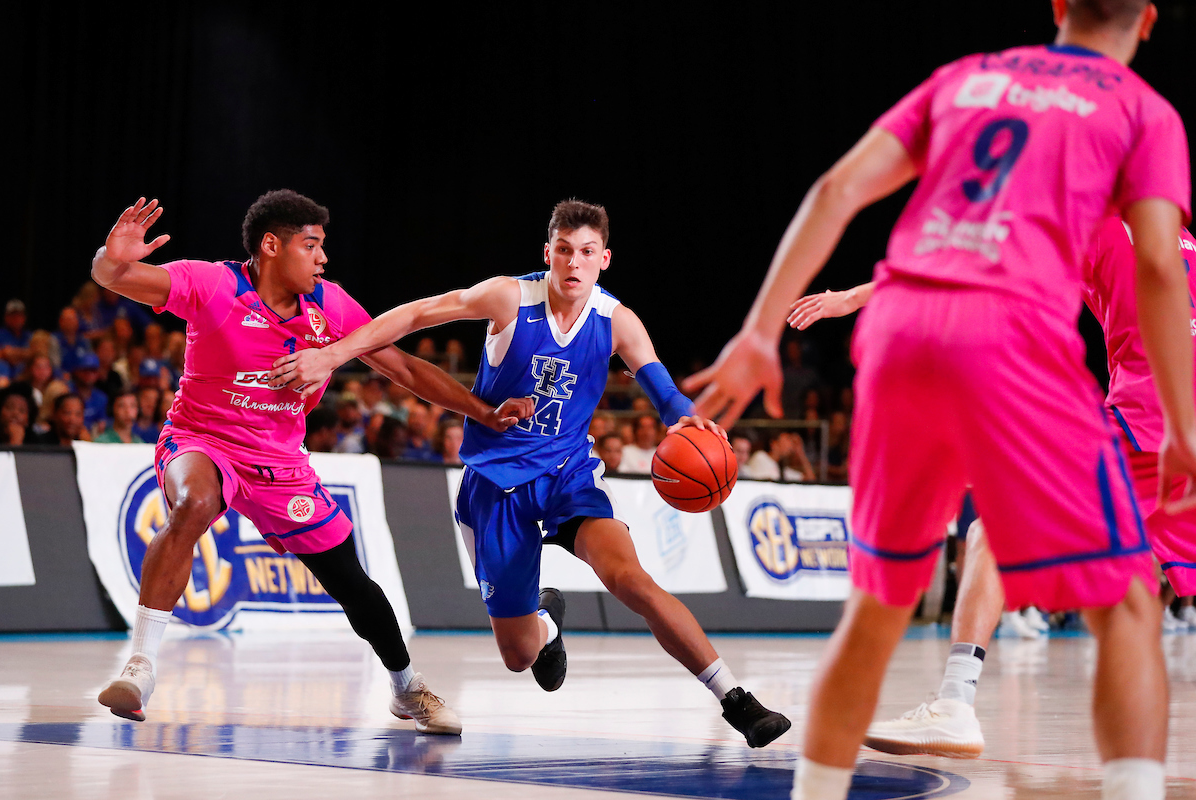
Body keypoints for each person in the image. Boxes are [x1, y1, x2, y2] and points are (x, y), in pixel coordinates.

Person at [683, 2, 1193, 798]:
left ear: (1057, 7)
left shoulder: (969, 76)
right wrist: (1184, 426)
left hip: (901, 333)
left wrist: (757, 330)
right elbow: (1158, 268)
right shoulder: (1140, 111)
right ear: (1149, 22)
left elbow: (835, 187)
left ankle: (852, 766)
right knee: (1127, 603)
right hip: (1015, 338)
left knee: (877, 606)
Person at [267, 198, 792, 748]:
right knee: (519, 656)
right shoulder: (510, 297)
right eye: (563, 250)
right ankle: (548, 621)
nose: (573, 263)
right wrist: (334, 354)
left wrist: (689, 421)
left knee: (630, 579)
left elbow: (665, 393)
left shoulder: (618, 322)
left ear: (604, 259)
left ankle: (738, 701)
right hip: (495, 486)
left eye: (586, 253)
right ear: (548, 252)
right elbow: (420, 313)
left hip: (569, 475)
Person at [89, 192, 532, 735]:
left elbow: (406, 370)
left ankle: (405, 686)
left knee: (350, 580)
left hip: (280, 462)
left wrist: (483, 412)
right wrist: (112, 261)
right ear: (271, 246)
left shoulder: (333, 308)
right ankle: (141, 666)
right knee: (194, 502)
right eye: (312, 244)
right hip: (201, 439)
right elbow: (118, 278)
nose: (323, 257)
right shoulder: (213, 285)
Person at [796, 213, 1196, 756]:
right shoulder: (1183, 239)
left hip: (1151, 419)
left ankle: (955, 706)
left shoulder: (1090, 224)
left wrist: (855, 298)